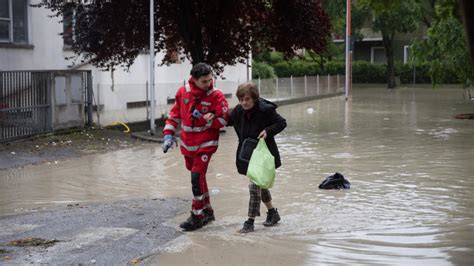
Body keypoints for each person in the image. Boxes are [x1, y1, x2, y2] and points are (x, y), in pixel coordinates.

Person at [161, 63, 229, 231]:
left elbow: (224, 121)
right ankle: (208, 211)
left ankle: (197, 215)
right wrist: (168, 134)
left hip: (206, 143)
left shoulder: (217, 96)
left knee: (196, 177)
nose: (209, 84)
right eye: (205, 81)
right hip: (188, 144)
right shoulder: (183, 93)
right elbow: (174, 115)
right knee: (199, 177)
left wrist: (210, 120)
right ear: (194, 79)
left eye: (210, 80)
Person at [228, 81, 287, 233]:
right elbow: (227, 120)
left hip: (264, 156)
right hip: (248, 156)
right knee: (261, 185)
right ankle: (273, 213)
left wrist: (268, 131)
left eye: (247, 99)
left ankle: (249, 223)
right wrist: (212, 116)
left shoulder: (265, 110)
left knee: (254, 188)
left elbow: (282, 123)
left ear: (254, 98)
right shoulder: (238, 111)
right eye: (241, 99)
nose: (244, 102)